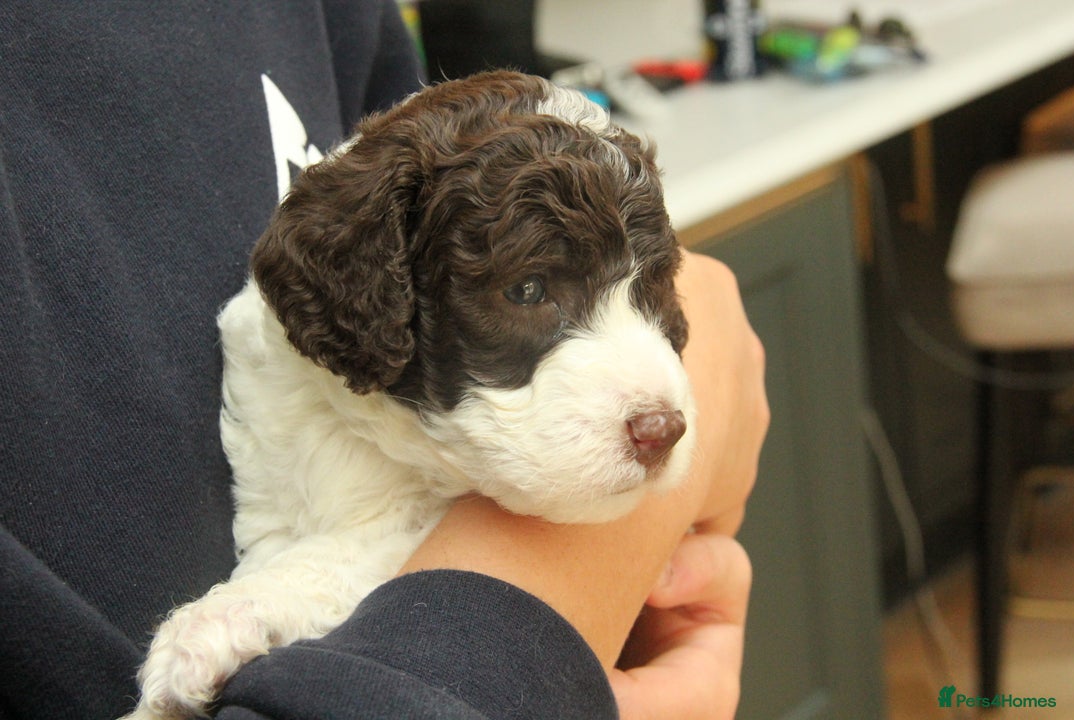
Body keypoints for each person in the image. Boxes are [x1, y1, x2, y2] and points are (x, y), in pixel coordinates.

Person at [0, 2, 768, 719]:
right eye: (529, 289)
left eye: (650, 289)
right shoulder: (345, 271)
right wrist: (546, 627)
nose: (664, 404)